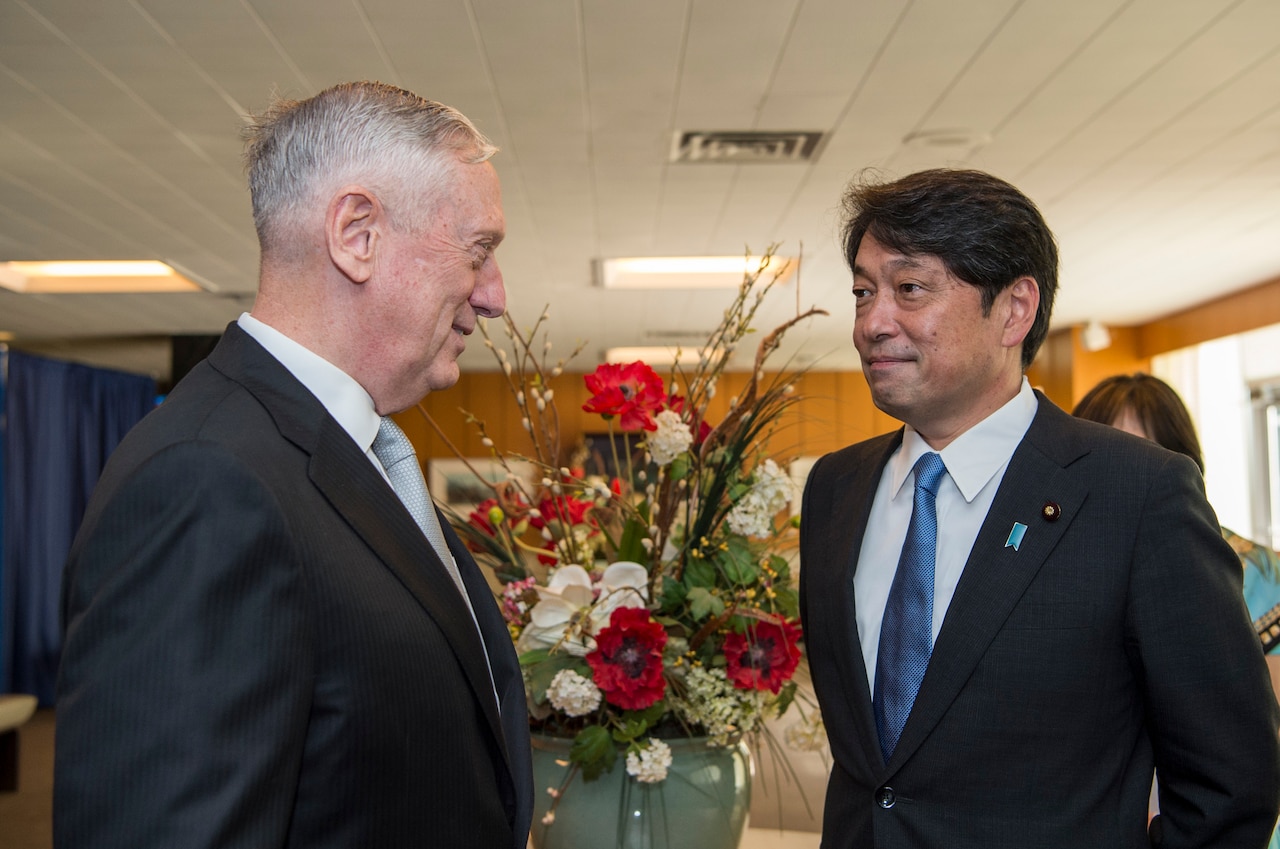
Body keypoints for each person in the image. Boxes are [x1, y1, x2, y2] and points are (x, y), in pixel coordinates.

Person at [54, 82, 533, 849]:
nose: (496, 295)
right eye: (479, 251)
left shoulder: (351, 457)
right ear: (357, 234)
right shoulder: (208, 483)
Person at [798, 168, 1280, 848]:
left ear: (1015, 309)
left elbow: (1232, 784)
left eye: (908, 289)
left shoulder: (1137, 494)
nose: (873, 322)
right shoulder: (834, 491)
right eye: (862, 291)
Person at [1073, 372, 1280, 642]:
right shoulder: (1059, 563)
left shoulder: (1257, 572)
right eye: (1108, 460)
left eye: (1145, 459)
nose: (1123, 479)